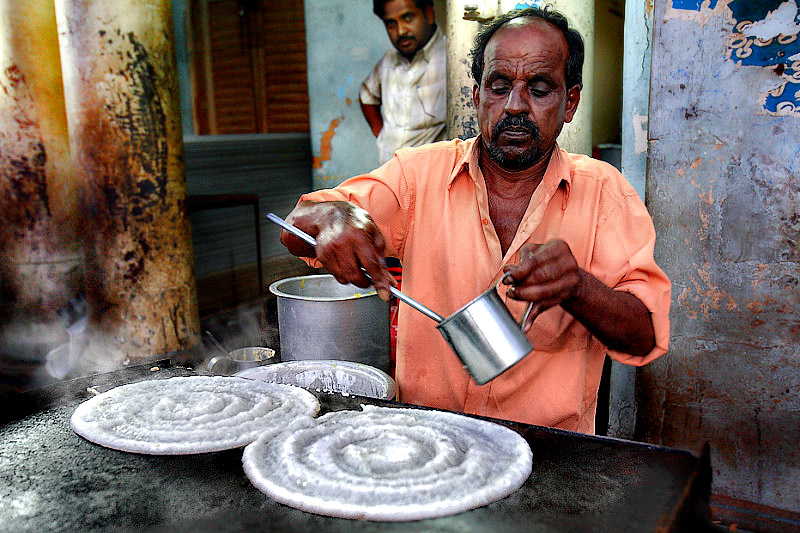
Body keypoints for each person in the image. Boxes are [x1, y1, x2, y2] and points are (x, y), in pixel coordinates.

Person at [281, 6, 671, 434]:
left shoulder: (605, 193)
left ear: (569, 102)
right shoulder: (418, 175)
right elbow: (298, 226)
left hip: (550, 457)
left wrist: (579, 287)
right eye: (499, 87)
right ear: (476, 96)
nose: (515, 106)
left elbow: (646, 336)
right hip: (429, 441)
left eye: (539, 89)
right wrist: (333, 216)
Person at [360, 0, 447, 165]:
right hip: (388, 176)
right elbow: (366, 95)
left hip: (430, 181)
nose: (400, 31)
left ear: (428, 14)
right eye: (391, 23)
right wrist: (381, 135)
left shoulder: (452, 59)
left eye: (407, 18)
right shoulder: (388, 61)